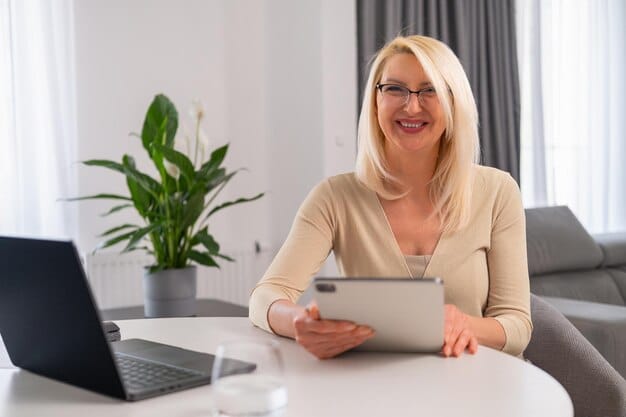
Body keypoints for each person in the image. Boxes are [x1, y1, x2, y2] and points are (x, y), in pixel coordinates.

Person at [249, 35, 532, 360]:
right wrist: (300, 322)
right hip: (375, 389)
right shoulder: (334, 198)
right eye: (395, 89)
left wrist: (463, 323)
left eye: (430, 90)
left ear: (454, 102)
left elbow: (517, 326)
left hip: (479, 389)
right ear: (375, 101)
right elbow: (265, 297)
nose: (411, 105)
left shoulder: (498, 192)